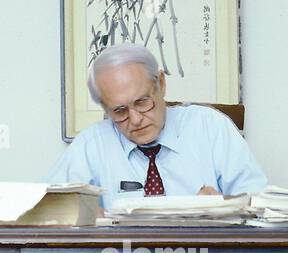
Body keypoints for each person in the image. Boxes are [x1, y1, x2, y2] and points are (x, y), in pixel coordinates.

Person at [46, 43, 267, 207]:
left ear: (161, 84)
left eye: (142, 102)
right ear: (105, 108)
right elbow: (43, 211)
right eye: (119, 111)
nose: (135, 119)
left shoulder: (210, 127)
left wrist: (226, 205)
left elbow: (261, 204)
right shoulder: (91, 145)